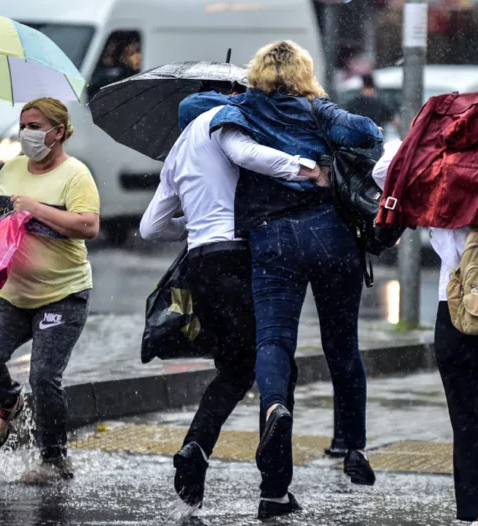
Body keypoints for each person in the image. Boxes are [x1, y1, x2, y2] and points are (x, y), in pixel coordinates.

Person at [180, 40, 383, 520]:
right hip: (330, 234)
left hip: (272, 239)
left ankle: (274, 407)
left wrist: (235, 94)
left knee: (273, 340)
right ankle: (353, 445)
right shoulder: (319, 109)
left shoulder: (242, 107)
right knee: (342, 343)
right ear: (303, 74)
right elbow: (367, 132)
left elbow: (192, 105)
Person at [139, 81, 320, 511]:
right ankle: (274, 489)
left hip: (202, 263)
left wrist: (195, 222)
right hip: (237, 259)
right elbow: (245, 154)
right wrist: (307, 169)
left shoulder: (179, 149)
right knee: (275, 363)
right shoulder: (220, 122)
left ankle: (196, 449)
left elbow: (150, 228)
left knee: (237, 368)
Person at [372, 138, 478, 526]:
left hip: (459, 317)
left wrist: (427, 140)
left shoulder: (442, 181)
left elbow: (384, 172)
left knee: (468, 420)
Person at [0, 97, 101, 485]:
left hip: (62, 295)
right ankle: (10, 402)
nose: (27, 133)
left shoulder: (75, 175)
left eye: (35, 126)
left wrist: (38, 208)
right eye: (23, 125)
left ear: (57, 131)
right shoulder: (14, 166)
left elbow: (88, 226)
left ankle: (54, 459)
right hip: (13, 293)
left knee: (45, 377)